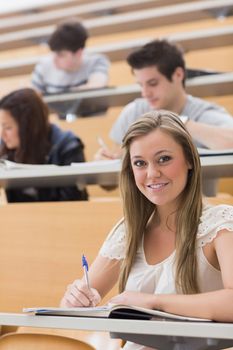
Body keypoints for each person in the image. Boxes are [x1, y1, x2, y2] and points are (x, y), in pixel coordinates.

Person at [61, 111, 233, 350]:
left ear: (190, 160)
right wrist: (74, 298)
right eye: (140, 163)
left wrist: (152, 302)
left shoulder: (221, 223)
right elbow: (77, 305)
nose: (152, 173)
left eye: (164, 159)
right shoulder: (129, 230)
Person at [96, 39, 233, 195]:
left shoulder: (203, 113)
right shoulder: (132, 112)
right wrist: (103, 166)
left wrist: (179, 122)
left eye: (153, 83)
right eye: (141, 85)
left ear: (178, 74)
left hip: (198, 214)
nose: (145, 93)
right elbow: (107, 185)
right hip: (145, 214)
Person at [0, 88, 88, 202]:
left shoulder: (68, 147)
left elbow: (73, 203)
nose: (2, 134)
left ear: (28, 127)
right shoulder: (6, 149)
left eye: (8, 127)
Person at [31, 19, 110, 118]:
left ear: (78, 53)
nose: (54, 59)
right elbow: (33, 98)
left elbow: (96, 86)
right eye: (53, 53)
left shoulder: (96, 61)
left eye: (61, 55)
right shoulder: (43, 66)